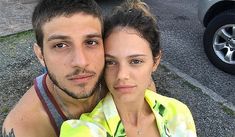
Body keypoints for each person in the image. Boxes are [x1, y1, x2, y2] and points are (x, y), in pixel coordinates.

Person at [60, 0, 197, 137]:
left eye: (135, 61)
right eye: (110, 62)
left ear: (155, 61)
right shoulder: (86, 130)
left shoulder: (179, 113)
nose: (122, 75)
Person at [2, 0, 105, 136]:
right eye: (60, 45)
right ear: (40, 55)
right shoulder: (24, 129)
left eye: (91, 42)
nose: (81, 62)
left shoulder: (119, 79)